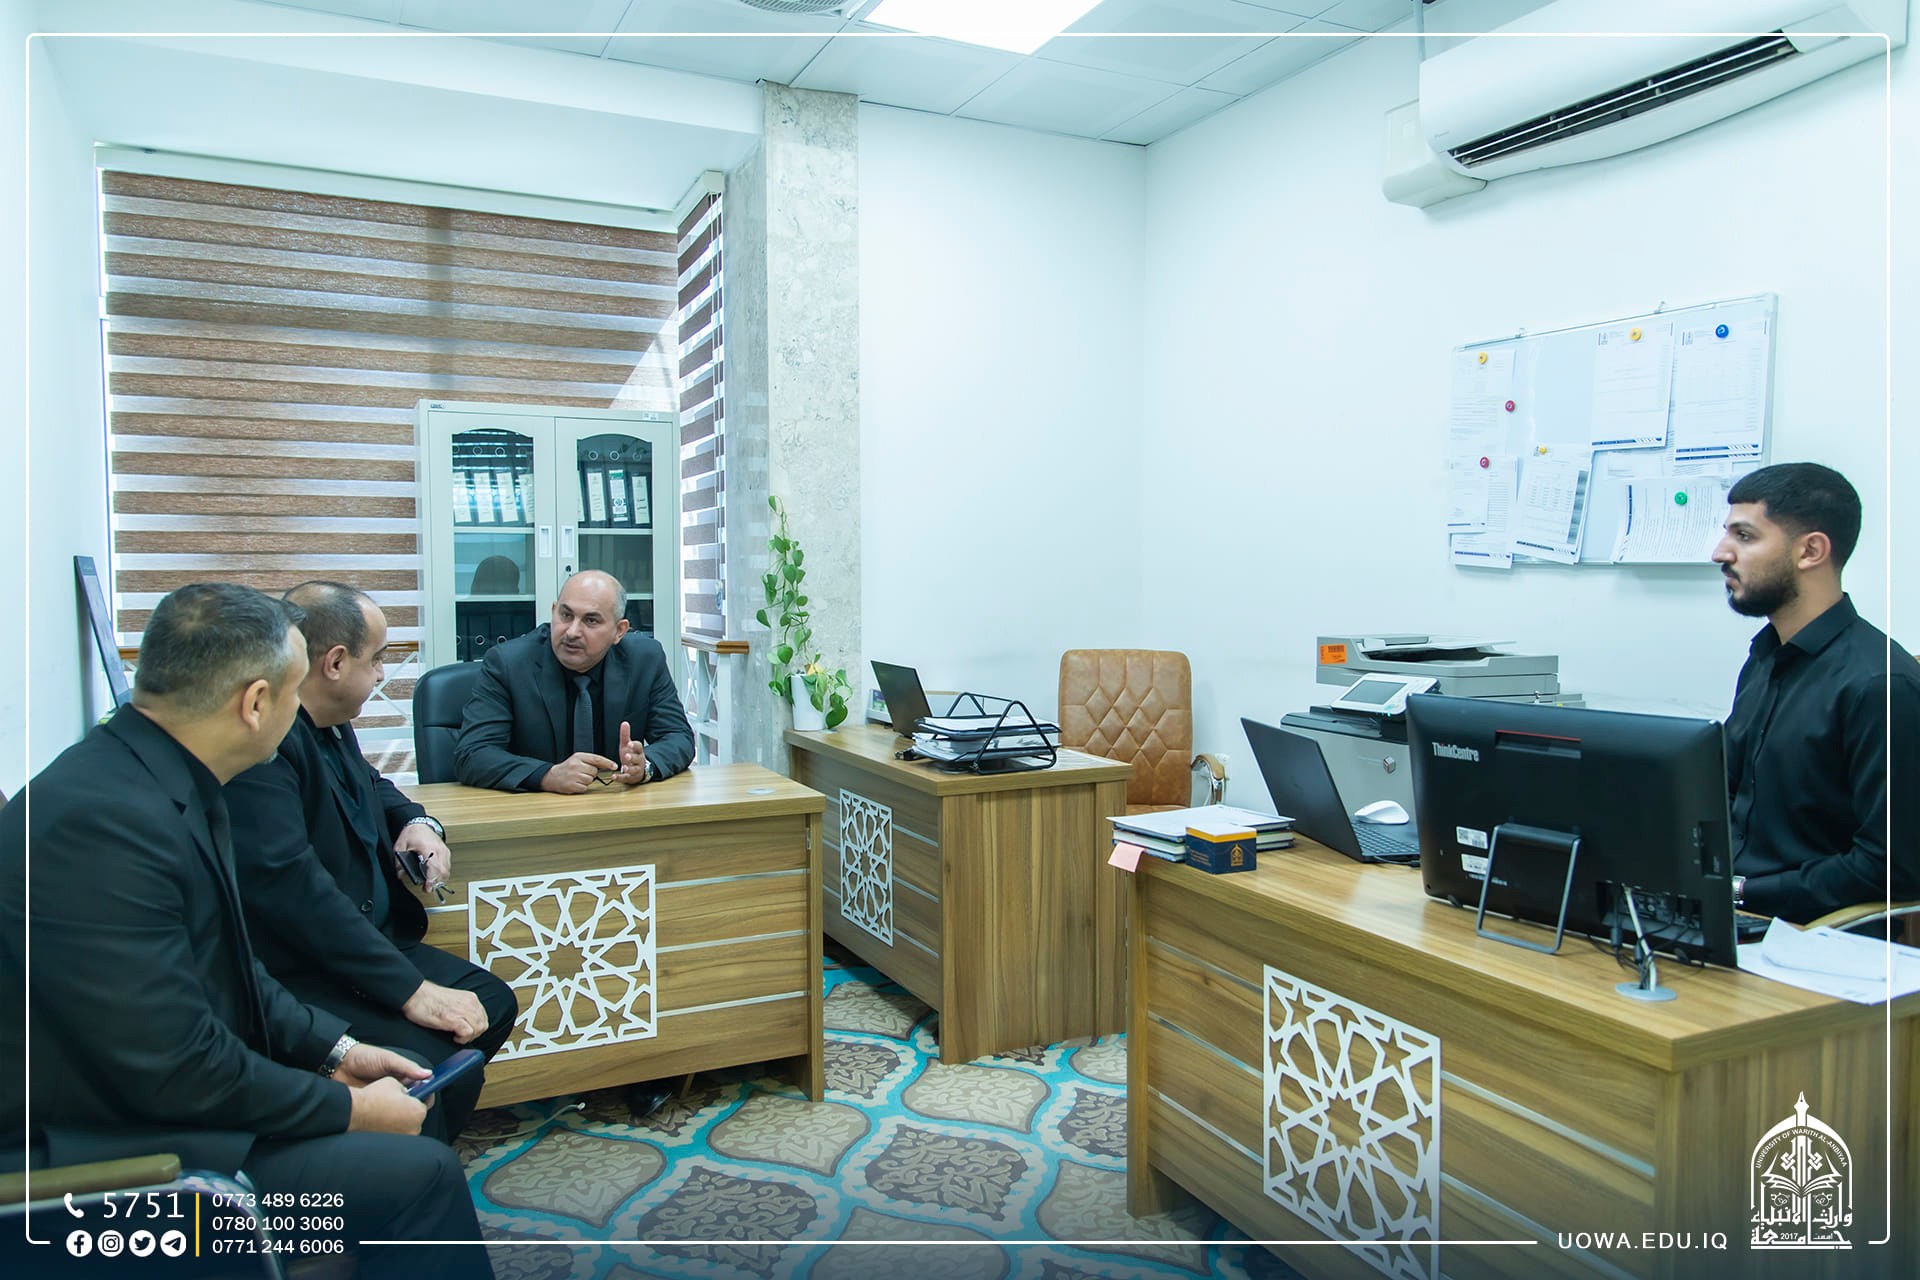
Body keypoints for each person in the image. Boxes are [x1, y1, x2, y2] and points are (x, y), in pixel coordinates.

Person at [0, 584, 491, 1279]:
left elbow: (230, 968)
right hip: (113, 1172)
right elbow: (176, 1068)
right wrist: (347, 1109)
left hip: (159, 1109)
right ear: (257, 703)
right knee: (419, 1176)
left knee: (407, 1131)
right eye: (293, 694)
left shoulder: (157, 779)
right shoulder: (102, 826)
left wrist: (338, 1051)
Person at [224, 581, 518, 1143]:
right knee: (427, 1054)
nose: (383, 673)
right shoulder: (268, 746)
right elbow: (296, 893)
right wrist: (412, 992)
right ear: (335, 663)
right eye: (377, 659)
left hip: (372, 939)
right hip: (309, 967)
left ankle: (423, 1146)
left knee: (491, 1002)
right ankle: (408, 1159)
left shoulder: (329, 720)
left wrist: (417, 821)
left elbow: (370, 782)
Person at [1711, 462, 1919, 924]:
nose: (1720, 553)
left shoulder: (1881, 685)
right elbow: (1721, 798)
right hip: (1735, 916)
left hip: (1815, 934)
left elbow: (1892, 867)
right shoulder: (1765, 658)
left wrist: (1743, 892)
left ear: (1810, 551)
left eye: (1744, 536)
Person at [453, 570, 694, 794]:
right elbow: (472, 754)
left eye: (591, 621)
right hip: (534, 810)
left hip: (615, 805)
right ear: (554, 611)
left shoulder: (644, 659)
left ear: (619, 631)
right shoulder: (508, 663)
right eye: (566, 615)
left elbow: (678, 736)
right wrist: (547, 775)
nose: (571, 632)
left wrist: (644, 767)